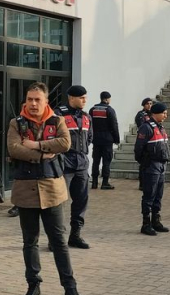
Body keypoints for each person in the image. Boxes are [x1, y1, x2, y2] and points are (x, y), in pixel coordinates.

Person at [7, 82, 79, 295]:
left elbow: (65, 143)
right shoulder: (16, 123)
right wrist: (42, 155)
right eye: (30, 99)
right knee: (30, 241)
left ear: (46, 101)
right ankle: (34, 285)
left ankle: (70, 286)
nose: (33, 103)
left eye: (38, 99)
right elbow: (13, 148)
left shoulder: (57, 120)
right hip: (25, 190)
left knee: (58, 240)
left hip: (52, 190)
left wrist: (35, 145)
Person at [54, 85, 92, 249]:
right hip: (64, 164)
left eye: (85, 97)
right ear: (71, 98)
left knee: (81, 201)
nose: (84, 100)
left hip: (81, 164)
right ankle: (56, 238)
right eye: (81, 98)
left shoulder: (86, 117)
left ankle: (75, 235)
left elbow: (89, 138)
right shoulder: (58, 114)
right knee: (59, 202)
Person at [134, 102, 170, 236]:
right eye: (163, 113)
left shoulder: (161, 128)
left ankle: (156, 220)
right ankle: (146, 223)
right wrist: (145, 163)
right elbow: (138, 149)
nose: (166, 116)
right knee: (149, 195)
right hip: (151, 165)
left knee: (158, 195)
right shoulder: (146, 127)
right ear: (155, 113)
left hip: (161, 165)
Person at [89, 91, 119, 190]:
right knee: (106, 161)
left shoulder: (92, 110)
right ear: (106, 99)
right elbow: (114, 125)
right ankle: (105, 182)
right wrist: (116, 139)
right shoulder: (110, 110)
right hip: (107, 140)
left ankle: (94, 182)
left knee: (96, 161)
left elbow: (90, 125)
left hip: (96, 139)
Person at [134, 97, 153, 191]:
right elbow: (141, 125)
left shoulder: (152, 114)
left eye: (150, 103)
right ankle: (142, 183)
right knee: (143, 164)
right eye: (147, 104)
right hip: (143, 139)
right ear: (144, 105)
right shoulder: (141, 114)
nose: (149, 105)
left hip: (152, 141)